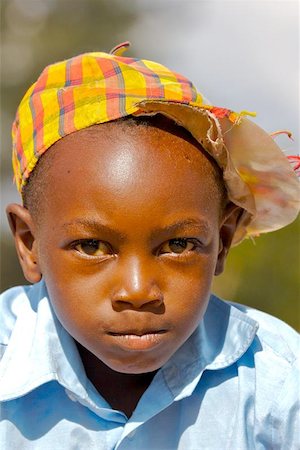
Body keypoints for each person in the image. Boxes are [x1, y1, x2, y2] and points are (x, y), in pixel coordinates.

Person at [0, 42, 299, 449]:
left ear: (223, 241)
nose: (138, 291)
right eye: (91, 246)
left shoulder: (278, 382)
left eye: (178, 244)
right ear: (29, 244)